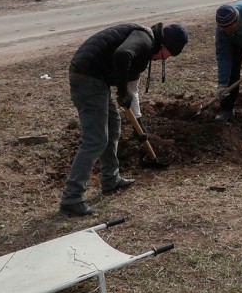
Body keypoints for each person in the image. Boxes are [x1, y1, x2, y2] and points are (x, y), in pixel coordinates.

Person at [60, 21, 189, 218]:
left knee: (113, 125)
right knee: (96, 140)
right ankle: (72, 198)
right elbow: (122, 55)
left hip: (95, 79)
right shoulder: (144, 40)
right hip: (87, 77)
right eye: (168, 55)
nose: (163, 59)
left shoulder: (143, 50)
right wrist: (121, 91)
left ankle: (110, 179)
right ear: (165, 46)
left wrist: (139, 125)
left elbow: (132, 90)